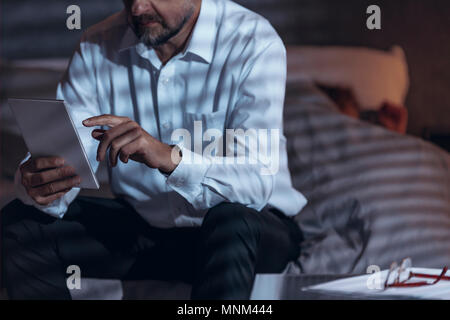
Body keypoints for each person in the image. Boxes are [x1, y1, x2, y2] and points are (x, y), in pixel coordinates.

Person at [1, 0, 307, 300]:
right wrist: (43, 184)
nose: (137, 8)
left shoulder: (252, 40)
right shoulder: (97, 45)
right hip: (148, 230)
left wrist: (170, 158)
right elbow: (67, 157)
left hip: (250, 234)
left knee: (231, 219)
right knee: (19, 223)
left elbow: (256, 183)